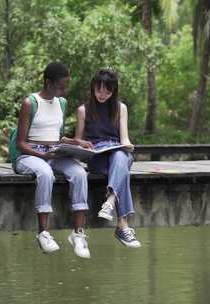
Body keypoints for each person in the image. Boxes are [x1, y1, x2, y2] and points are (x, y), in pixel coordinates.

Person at [15, 62, 90, 258]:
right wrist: (42, 156)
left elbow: (57, 136)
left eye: (66, 86)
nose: (64, 90)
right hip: (31, 154)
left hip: (54, 152)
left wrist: (76, 142)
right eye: (60, 86)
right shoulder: (30, 103)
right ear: (48, 82)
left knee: (80, 173)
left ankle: (78, 233)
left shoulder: (61, 103)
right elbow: (20, 143)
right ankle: (43, 233)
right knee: (46, 173)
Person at [74, 68, 141, 249]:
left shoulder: (121, 108)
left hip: (117, 153)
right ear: (93, 88)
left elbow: (124, 138)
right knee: (123, 171)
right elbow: (78, 141)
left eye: (107, 90)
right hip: (97, 157)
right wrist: (83, 145)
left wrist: (128, 145)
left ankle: (110, 200)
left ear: (113, 91)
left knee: (121, 155)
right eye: (99, 90)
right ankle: (122, 226)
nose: (103, 94)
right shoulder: (83, 110)